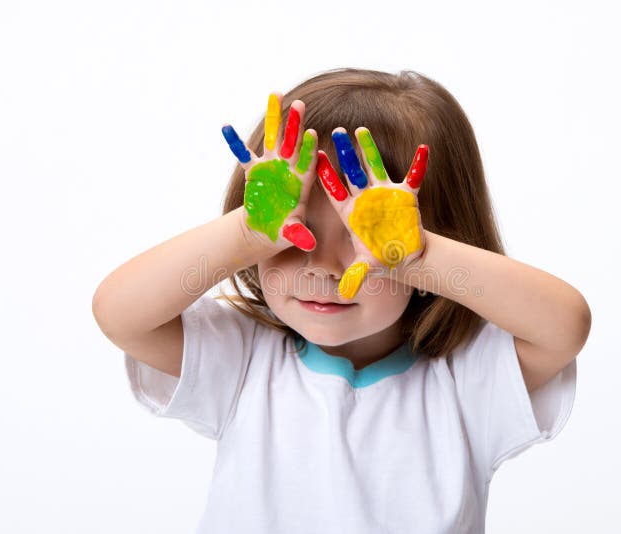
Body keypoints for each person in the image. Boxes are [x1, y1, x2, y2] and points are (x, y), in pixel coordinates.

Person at [92, 68, 591, 534]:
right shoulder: (243, 363)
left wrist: (414, 255)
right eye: (295, 234)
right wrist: (248, 232)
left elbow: (563, 326)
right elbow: (120, 314)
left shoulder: (466, 382)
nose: (324, 268)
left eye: (364, 239)